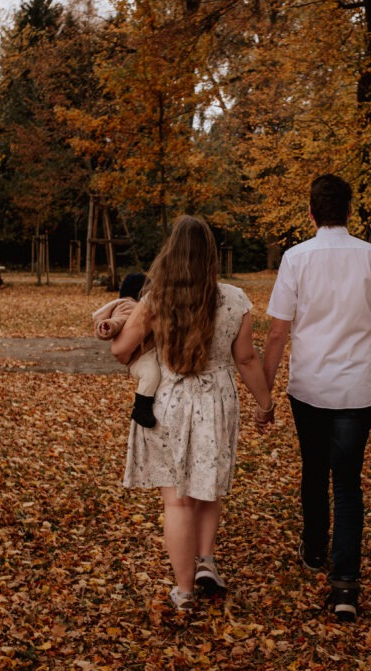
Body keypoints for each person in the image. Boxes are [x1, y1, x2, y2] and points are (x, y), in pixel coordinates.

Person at [111, 215, 275, 612]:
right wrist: (265, 403)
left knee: (177, 501)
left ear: (171, 253)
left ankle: (184, 591)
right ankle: (205, 560)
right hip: (215, 400)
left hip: (168, 400)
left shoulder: (156, 300)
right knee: (207, 487)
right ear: (211, 256)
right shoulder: (235, 300)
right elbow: (246, 359)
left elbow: (121, 350)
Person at [263, 173, 371, 622]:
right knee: (347, 482)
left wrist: (264, 390)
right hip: (356, 389)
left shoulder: (295, 259)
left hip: (308, 387)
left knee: (314, 468)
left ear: (311, 213)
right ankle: (345, 584)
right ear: (349, 211)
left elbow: (278, 333)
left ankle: (313, 549)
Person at [92, 273, 159, 428]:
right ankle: (141, 408)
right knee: (151, 374)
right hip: (139, 358)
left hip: (143, 353)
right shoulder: (129, 306)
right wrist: (109, 326)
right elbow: (120, 319)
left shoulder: (131, 305)